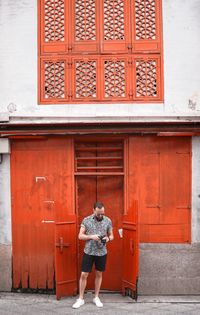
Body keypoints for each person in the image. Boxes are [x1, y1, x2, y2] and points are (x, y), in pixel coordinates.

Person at [72, 201, 114, 309]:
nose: (100, 215)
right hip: (89, 252)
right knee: (83, 274)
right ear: (93, 210)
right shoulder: (86, 220)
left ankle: (96, 297)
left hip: (102, 252)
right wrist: (91, 236)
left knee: (99, 274)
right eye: (98, 213)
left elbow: (112, 235)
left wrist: (108, 239)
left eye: (102, 213)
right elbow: (80, 236)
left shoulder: (108, 220)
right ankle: (80, 299)